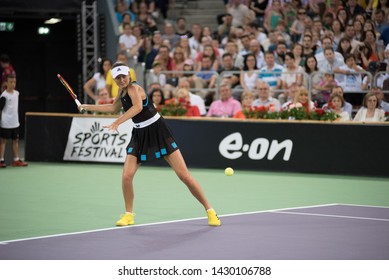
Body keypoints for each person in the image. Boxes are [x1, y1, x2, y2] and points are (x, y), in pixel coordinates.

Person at [78, 62, 221, 227]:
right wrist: (86, 106)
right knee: (127, 176)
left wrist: (117, 122)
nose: (121, 80)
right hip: (139, 134)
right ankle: (129, 215)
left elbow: (138, 107)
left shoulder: (135, 89)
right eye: (117, 78)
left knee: (184, 176)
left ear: (129, 75)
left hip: (158, 131)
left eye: (123, 76)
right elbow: (113, 107)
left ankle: (210, 210)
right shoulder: (121, 90)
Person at [0, 74, 28, 168]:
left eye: (14, 82)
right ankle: (1, 160)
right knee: (3, 141)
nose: (13, 84)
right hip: (6, 123)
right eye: (11, 82)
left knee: (16, 140)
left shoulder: (17, 93)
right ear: (6, 83)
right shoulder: (4, 95)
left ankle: (16, 160)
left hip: (15, 122)